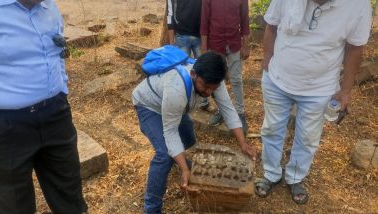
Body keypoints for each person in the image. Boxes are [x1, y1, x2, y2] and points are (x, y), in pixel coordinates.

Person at [255, 0, 372, 205]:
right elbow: (272, 26)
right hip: (277, 79)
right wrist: (267, 58)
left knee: (308, 137)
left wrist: (345, 90)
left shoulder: (358, 5)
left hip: (320, 88)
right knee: (272, 129)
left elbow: (355, 48)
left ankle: (295, 177)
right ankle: (271, 173)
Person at [132, 51, 256, 213]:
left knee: (188, 138)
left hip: (175, 108)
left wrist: (243, 143)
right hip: (149, 105)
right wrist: (185, 169)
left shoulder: (211, 78)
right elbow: (170, 132)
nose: (209, 93)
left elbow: (228, 110)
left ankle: (179, 160)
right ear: (193, 74)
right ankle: (151, 208)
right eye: (205, 87)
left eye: (214, 88)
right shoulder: (176, 88)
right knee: (164, 155)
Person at [0, 0, 88, 213]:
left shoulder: (49, 7)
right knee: (13, 203)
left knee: (70, 193)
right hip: (8, 126)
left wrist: (62, 88)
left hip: (56, 115)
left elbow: (58, 51)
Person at [200, 0, 251, 133]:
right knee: (218, 81)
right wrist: (204, 49)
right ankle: (222, 111)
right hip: (215, 43)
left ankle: (240, 113)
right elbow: (204, 21)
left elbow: (245, 20)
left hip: (234, 42)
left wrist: (246, 45)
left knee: (236, 79)